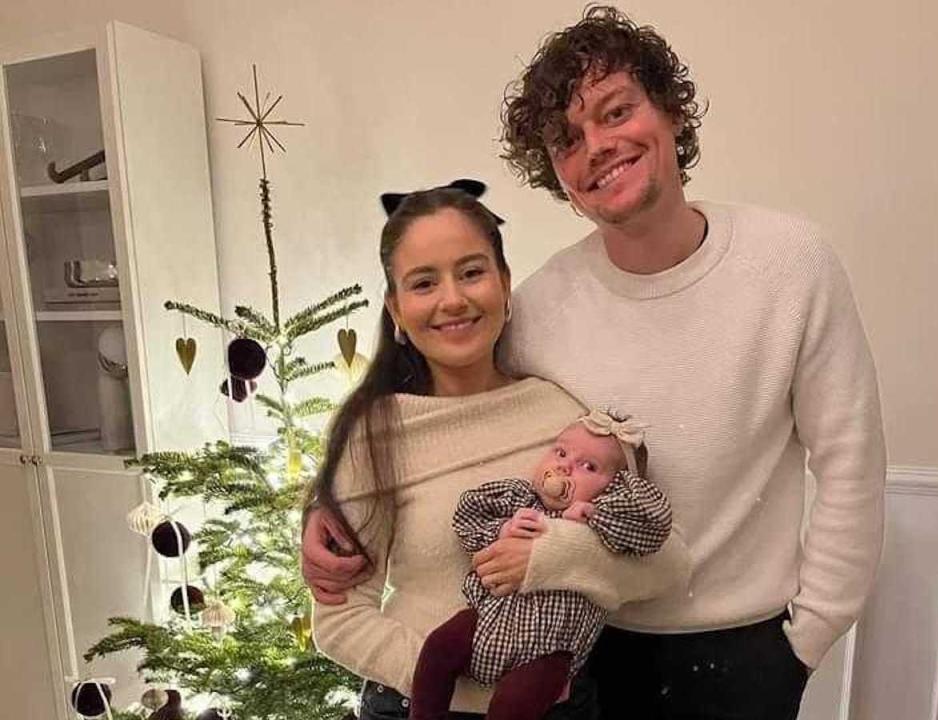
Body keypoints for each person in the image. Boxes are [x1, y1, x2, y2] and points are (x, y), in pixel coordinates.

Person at [491, 6, 886, 719]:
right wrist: (339, 514)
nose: (598, 147)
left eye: (617, 111)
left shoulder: (791, 263)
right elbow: (458, 416)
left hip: (747, 654)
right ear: (556, 175)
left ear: (671, 112)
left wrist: (807, 638)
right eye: (568, 141)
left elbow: (851, 460)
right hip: (579, 648)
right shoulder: (539, 306)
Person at [301, 182, 691, 720]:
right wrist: (462, 681)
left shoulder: (562, 414)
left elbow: (667, 564)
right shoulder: (374, 435)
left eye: (471, 272)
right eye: (423, 283)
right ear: (395, 307)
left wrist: (553, 557)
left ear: (505, 283)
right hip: (416, 706)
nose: (452, 300)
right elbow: (339, 618)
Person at [410, 410, 672, 720]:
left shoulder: (609, 522)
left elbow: (654, 528)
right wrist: (503, 529)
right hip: (486, 620)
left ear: (617, 487)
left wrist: (592, 518)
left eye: (588, 467)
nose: (564, 466)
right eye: (560, 452)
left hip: (550, 648)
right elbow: (467, 514)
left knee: (517, 703)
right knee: (440, 647)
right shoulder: (519, 499)